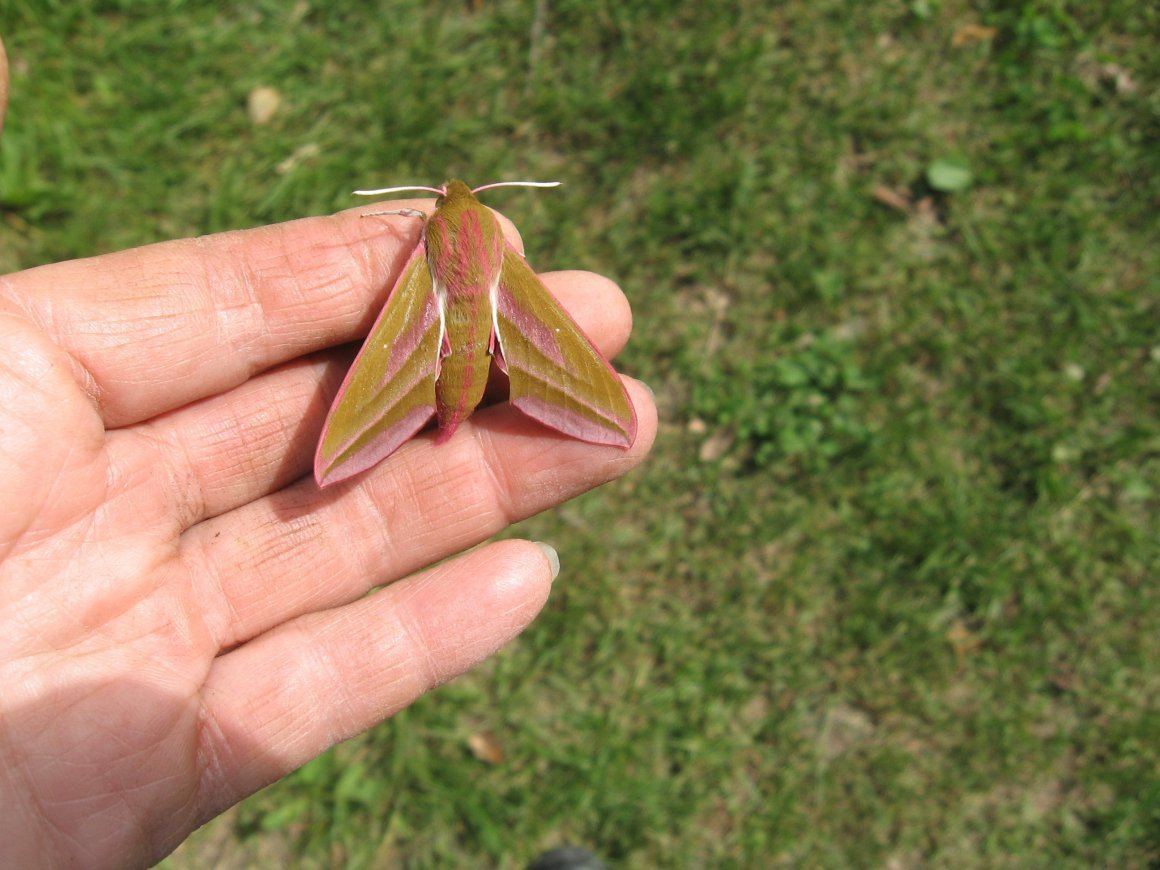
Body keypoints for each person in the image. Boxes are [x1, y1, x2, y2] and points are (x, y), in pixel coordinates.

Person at [0, 39, 654, 868]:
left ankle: (419, 411)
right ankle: (536, 398)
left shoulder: (423, 249)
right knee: (571, 373)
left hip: (424, 337)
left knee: (399, 397)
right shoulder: (486, 246)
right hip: (494, 323)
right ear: (481, 233)